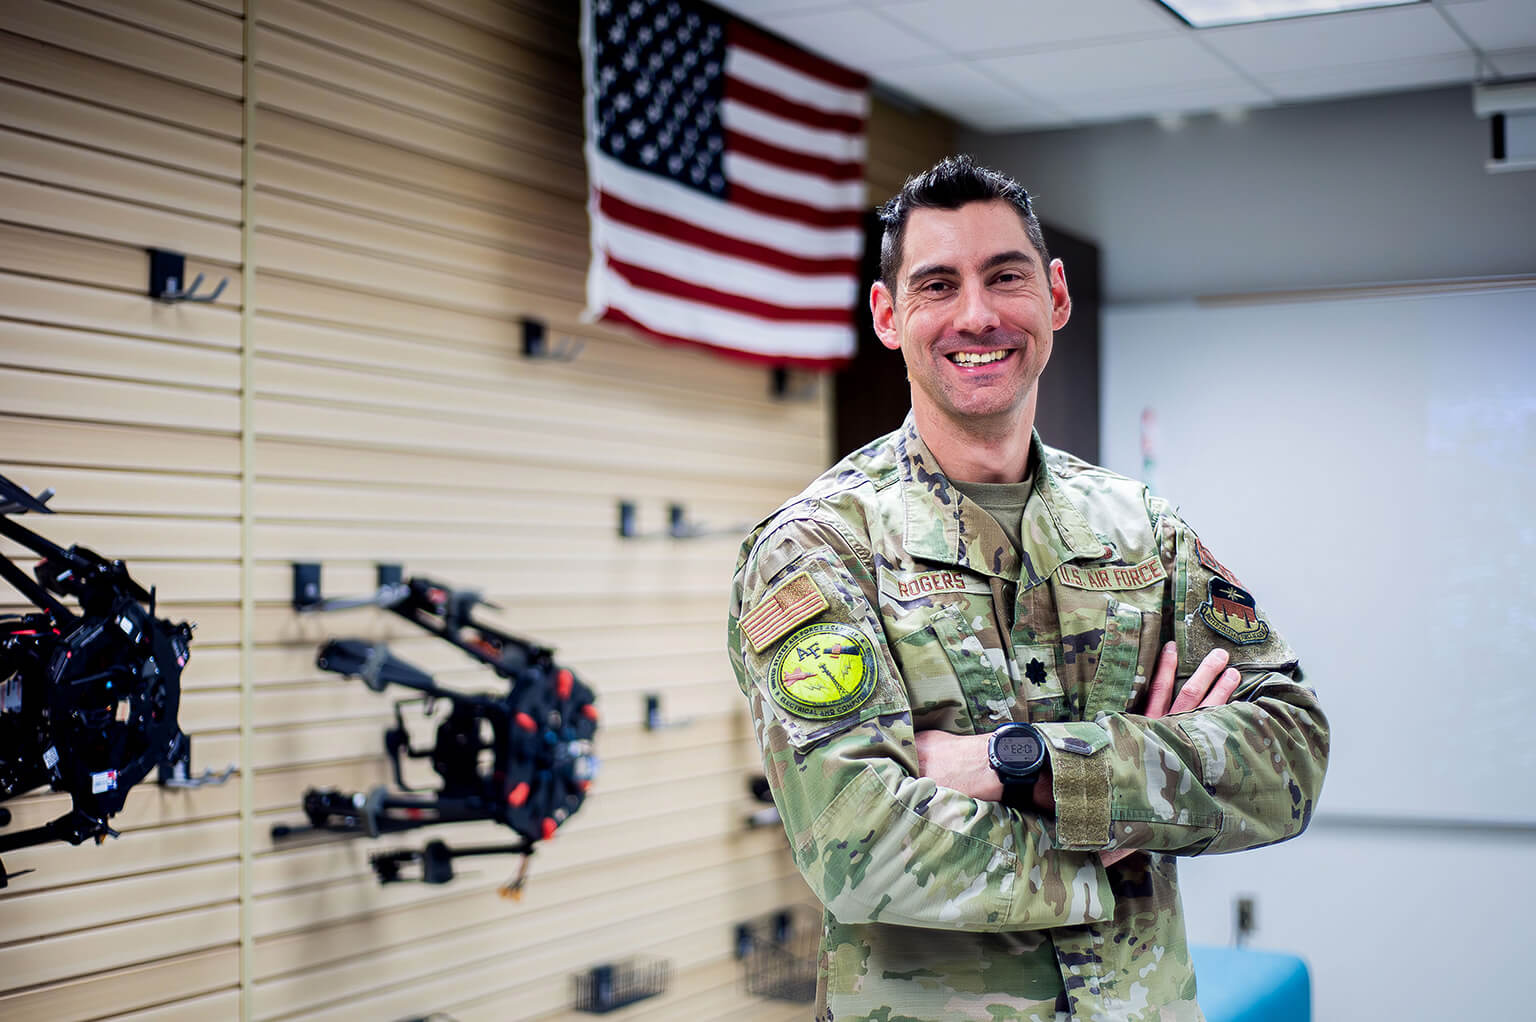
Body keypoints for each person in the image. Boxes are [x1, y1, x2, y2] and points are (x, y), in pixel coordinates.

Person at [726, 155, 1329, 1022]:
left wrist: (1029, 765)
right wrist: (1125, 809)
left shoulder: (1141, 529)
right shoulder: (820, 546)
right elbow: (857, 841)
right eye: (938, 285)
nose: (977, 314)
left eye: (1003, 277)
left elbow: (1292, 753)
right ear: (889, 316)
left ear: (1055, 297)